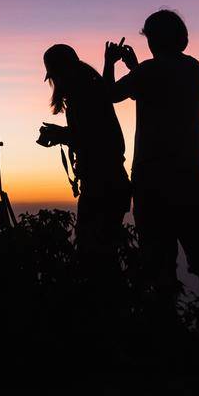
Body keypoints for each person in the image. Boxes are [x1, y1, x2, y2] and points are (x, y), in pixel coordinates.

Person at [107, 10, 199, 317]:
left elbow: (111, 94)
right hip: (191, 172)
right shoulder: (193, 68)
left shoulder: (147, 72)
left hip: (153, 175)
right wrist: (137, 68)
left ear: (153, 39)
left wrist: (110, 63)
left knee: (158, 254)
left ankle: (166, 323)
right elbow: (160, 91)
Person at [35, 44, 131, 277]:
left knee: (95, 258)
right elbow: (95, 132)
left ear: (60, 71)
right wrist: (64, 134)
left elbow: (92, 137)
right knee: (103, 255)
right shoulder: (88, 85)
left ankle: (101, 308)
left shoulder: (81, 91)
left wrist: (61, 135)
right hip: (110, 183)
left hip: (102, 185)